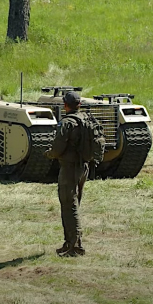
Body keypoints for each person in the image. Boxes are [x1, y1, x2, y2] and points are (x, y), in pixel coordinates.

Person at [44, 91, 90, 257]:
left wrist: (49, 154)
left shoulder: (67, 123)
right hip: (83, 167)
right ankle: (70, 243)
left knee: (69, 206)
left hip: (70, 169)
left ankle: (75, 246)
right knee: (73, 204)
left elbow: (57, 149)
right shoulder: (86, 118)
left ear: (65, 105)